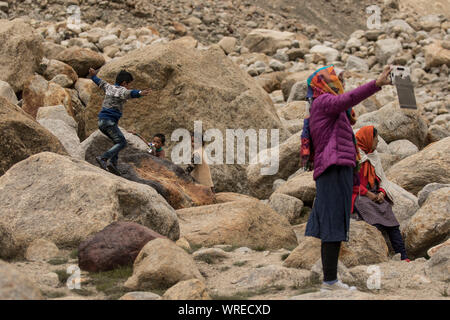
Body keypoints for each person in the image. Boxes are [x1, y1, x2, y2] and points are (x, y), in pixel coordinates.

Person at [302, 64, 393, 291]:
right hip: (332, 168)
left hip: (340, 168)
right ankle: (330, 282)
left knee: (338, 223)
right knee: (332, 223)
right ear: (324, 83)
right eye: (336, 79)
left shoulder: (335, 110)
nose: (340, 83)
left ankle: (331, 280)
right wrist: (377, 84)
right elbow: (348, 98)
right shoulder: (324, 103)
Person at [352, 125, 410, 262]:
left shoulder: (373, 155)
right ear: (367, 139)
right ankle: (379, 256)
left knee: (392, 222)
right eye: (375, 139)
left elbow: (382, 179)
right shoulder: (353, 155)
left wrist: (382, 193)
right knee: (374, 222)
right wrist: (368, 194)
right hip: (358, 195)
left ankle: (403, 256)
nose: (377, 142)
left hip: (373, 193)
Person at [89, 68, 151, 175]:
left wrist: (93, 76)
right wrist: (140, 92)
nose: (129, 87)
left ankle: (113, 163)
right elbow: (131, 93)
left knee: (116, 141)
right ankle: (103, 158)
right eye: (129, 84)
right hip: (109, 122)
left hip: (101, 122)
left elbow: (99, 81)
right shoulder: (121, 90)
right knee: (122, 142)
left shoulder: (109, 87)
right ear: (124, 83)